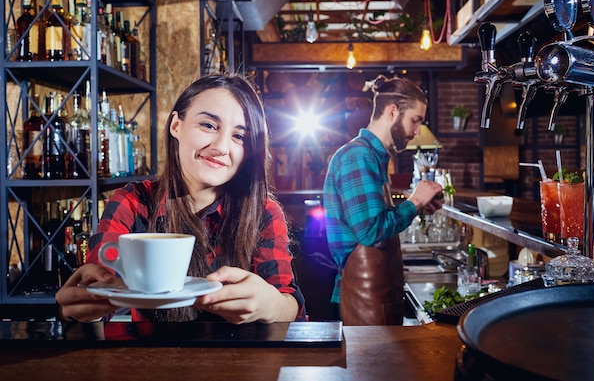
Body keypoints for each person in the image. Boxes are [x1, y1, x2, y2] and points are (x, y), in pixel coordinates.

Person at [56, 74, 306, 324]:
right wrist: (84, 306)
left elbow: (290, 308)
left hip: (240, 359)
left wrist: (270, 305)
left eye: (239, 137)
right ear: (176, 125)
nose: (221, 147)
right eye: (209, 125)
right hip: (149, 359)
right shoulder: (134, 203)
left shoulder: (262, 212)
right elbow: (99, 285)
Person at [323, 75, 443, 326]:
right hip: (364, 299)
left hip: (378, 296)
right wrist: (415, 202)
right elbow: (370, 231)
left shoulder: (374, 156)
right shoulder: (358, 156)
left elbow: (375, 219)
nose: (417, 131)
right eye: (415, 120)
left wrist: (416, 206)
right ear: (392, 111)